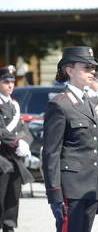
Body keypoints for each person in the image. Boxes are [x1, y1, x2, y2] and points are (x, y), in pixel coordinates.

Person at [42, 46, 98, 232]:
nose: (92, 71)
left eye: (93, 68)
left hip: (91, 188)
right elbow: (51, 154)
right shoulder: (59, 104)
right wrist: (55, 195)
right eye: (86, 67)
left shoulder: (90, 102)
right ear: (70, 70)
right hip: (71, 189)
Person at [0, 65, 34, 232]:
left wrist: (26, 142)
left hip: (15, 158)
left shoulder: (15, 105)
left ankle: (9, 226)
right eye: (6, 82)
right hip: (2, 157)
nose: (10, 85)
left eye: (12, 82)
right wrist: (16, 142)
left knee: (13, 196)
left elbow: (24, 128)